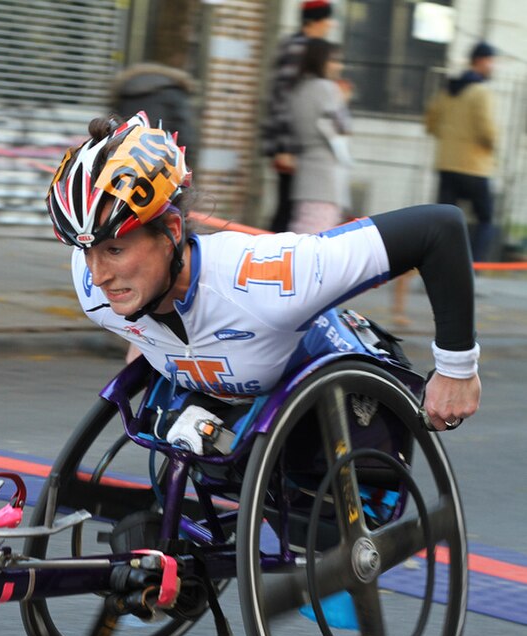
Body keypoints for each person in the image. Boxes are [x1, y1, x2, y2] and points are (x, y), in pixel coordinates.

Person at [47, 113, 480, 432]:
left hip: (337, 426)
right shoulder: (92, 288)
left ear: (172, 232)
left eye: (115, 249)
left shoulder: (273, 279)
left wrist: (456, 368)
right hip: (230, 424)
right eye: (86, 252)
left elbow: (438, 228)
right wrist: (143, 338)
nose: (98, 275)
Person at [262, 0, 335, 233]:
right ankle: (269, 261)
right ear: (316, 21)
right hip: (290, 146)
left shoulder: (299, 45)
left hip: (296, 146)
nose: (331, 25)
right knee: (287, 210)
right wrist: (284, 148)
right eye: (327, 20)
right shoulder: (299, 49)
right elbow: (283, 99)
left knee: (290, 209)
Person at [425, 41, 499, 263]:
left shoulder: (447, 90)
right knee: (485, 219)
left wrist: (449, 138)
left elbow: (430, 123)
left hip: (447, 165)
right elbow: (487, 130)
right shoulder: (481, 92)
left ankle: (439, 267)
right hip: (474, 166)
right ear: (481, 60)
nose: (493, 67)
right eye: (491, 61)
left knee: (445, 222)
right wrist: (494, 144)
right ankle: (472, 268)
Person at [288, 38, 352, 234]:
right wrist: (343, 100)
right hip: (326, 176)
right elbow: (343, 126)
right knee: (319, 241)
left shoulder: (299, 89)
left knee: (302, 234)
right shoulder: (327, 89)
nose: (338, 66)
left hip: (306, 173)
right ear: (321, 60)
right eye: (334, 60)